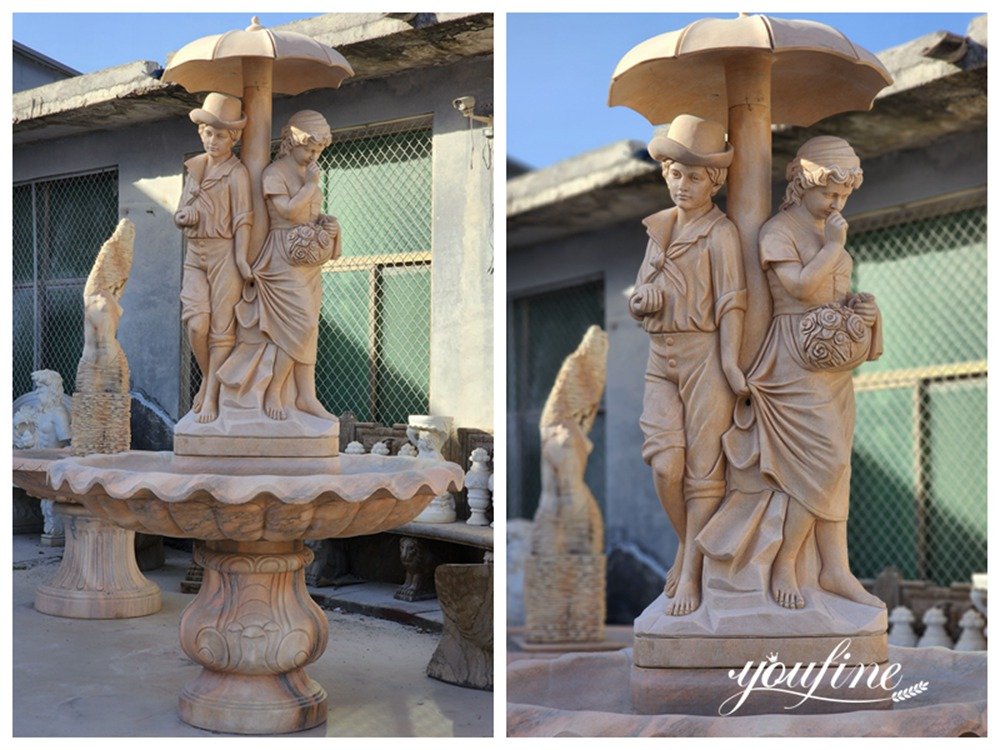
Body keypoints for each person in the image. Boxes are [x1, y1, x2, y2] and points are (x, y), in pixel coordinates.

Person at [751, 136, 884, 610]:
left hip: (831, 365)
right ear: (801, 183)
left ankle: (835, 569)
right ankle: (787, 561)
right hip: (792, 359)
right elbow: (802, 290)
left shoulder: (830, 231)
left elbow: (829, 298)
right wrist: (833, 248)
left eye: (844, 197)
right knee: (819, 464)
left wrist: (860, 310)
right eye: (829, 193)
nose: (836, 203)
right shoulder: (778, 232)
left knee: (838, 467)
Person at [628, 115, 747, 616]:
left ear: (714, 181)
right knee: (665, 463)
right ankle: (687, 544)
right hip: (661, 358)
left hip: (704, 358)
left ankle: (693, 568)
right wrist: (644, 300)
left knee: (702, 473)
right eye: (676, 174)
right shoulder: (658, 230)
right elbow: (637, 298)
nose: (683, 184)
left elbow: (732, 303)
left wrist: (729, 360)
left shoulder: (721, 234)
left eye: (694, 176)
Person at [221, 109, 341, 421]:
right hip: (281, 258)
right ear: (291, 142)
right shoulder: (275, 173)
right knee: (298, 325)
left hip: (307, 263)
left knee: (309, 328)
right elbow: (286, 212)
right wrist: (311, 187)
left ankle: (307, 397)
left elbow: (309, 216)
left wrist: (328, 226)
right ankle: (275, 390)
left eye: (318, 151)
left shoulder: (307, 174)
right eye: (309, 149)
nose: (313, 156)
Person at [174, 93, 252, 423]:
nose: (213, 140)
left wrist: (241, 257)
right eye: (208, 133)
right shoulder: (194, 169)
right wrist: (184, 215)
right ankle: (209, 378)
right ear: (200, 133)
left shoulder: (237, 173)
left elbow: (243, 219)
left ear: (233, 138)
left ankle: (212, 394)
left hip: (224, 254)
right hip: (195, 253)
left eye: (220, 135)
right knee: (196, 324)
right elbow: (180, 210)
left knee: (221, 330)